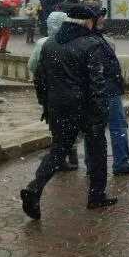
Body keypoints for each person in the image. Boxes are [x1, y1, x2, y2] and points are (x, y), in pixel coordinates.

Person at [20, 3, 116, 220]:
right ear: (87, 22)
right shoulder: (90, 44)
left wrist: (46, 104)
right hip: (86, 108)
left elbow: (40, 80)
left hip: (58, 106)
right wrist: (100, 113)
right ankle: (96, 195)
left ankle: (35, 188)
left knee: (58, 149)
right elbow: (97, 83)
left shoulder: (50, 44)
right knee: (97, 150)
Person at [86, 8, 129, 176]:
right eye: (100, 17)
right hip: (107, 91)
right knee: (117, 127)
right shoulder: (95, 40)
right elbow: (102, 68)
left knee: (93, 129)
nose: (103, 19)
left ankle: (92, 165)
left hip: (96, 90)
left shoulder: (89, 38)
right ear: (91, 20)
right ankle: (121, 163)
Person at [28, 10, 78, 171]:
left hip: (49, 90)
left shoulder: (43, 42)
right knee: (71, 123)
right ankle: (72, 153)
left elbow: (32, 66)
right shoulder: (72, 41)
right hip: (69, 89)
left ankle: (59, 156)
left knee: (55, 124)